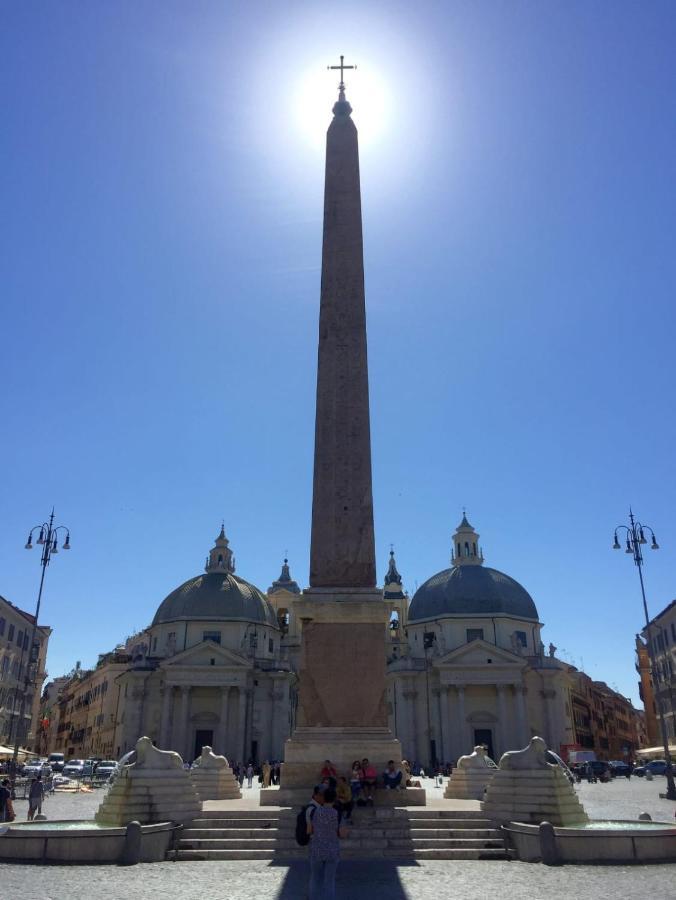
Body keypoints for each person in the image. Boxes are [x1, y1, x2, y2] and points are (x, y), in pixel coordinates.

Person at [307, 786, 344, 900]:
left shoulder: (314, 812)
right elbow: (342, 834)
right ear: (334, 799)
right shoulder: (337, 814)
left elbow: (309, 831)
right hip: (332, 850)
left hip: (317, 848)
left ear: (323, 798)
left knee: (315, 878)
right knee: (329, 881)